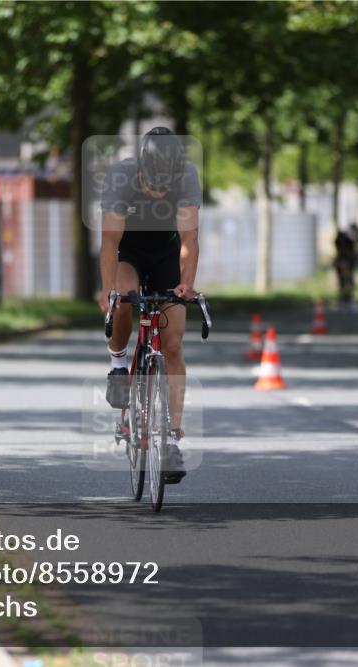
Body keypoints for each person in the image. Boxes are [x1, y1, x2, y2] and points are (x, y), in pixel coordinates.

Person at [99, 127, 201, 484]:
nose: (158, 192)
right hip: (129, 251)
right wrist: (108, 292)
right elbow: (110, 241)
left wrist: (186, 285)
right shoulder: (121, 177)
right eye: (151, 186)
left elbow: (189, 239)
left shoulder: (186, 176)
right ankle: (117, 363)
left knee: (172, 344)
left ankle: (172, 437)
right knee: (124, 300)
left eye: (164, 187)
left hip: (166, 254)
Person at [333, 225, 358, 307]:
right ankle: (344, 293)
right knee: (342, 279)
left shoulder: (349, 243)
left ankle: (348, 293)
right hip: (343, 261)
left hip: (348, 261)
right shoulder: (339, 243)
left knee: (348, 279)